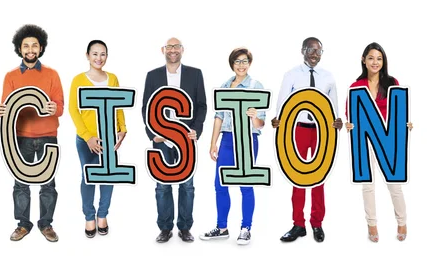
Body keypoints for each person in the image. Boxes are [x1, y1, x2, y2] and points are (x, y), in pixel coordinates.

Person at [0, 24, 64, 243]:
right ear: (19, 49)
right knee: (20, 183)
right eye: (26, 46)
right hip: (20, 137)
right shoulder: (10, 76)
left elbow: (60, 106)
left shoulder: (52, 74)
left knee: (48, 184)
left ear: (41, 47)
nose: (30, 49)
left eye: (35, 45)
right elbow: (7, 108)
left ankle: (46, 224)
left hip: (48, 136)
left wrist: (55, 108)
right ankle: (23, 224)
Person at [272, 37, 343, 243]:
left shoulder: (328, 77)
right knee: (298, 177)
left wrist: (338, 122)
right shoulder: (291, 75)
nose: (315, 54)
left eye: (319, 51)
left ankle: (317, 223)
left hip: (322, 131)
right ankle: (298, 224)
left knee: (319, 177)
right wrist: (278, 121)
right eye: (311, 50)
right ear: (303, 50)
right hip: (299, 129)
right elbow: (283, 104)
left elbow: (333, 106)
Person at [141, 37, 207, 243]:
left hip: (185, 141)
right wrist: (153, 133)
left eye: (176, 46)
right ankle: (165, 228)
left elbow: (201, 105)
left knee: (187, 186)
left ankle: (185, 227)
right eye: (169, 47)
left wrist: (196, 130)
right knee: (162, 187)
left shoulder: (195, 74)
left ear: (182, 50)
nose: (173, 50)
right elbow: (145, 107)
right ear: (163, 50)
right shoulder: (152, 76)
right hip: (161, 140)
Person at [344, 42, 412, 242]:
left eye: (379, 58)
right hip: (365, 140)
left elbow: (398, 109)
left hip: (387, 139)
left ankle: (402, 221)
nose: (375, 62)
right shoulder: (356, 87)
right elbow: (351, 112)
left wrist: (405, 124)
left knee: (394, 185)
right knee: (368, 185)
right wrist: (349, 124)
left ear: (384, 62)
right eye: (371, 58)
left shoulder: (391, 82)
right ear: (364, 60)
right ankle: (371, 224)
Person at [199, 47, 265, 245]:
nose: (241, 65)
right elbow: (218, 117)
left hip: (247, 139)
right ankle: (222, 227)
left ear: (250, 63)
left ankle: (246, 228)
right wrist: (213, 143)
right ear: (232, 64)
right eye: (237, 61)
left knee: (246, 184)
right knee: (220, 184)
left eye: (245, 61)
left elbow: (261, 123)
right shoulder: (225, 86)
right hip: (227, 140)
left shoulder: (255, 85)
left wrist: (254, 117)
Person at [69, 40, 128, 238]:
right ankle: (89, 216)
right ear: (87, 56)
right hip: (86, 140)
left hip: (109, 137)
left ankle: (103, 215)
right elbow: (73, 109)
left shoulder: (113, 79)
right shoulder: (78, 79)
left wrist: (122, 128)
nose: (98, 58)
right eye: (95, 54)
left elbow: (118, 105)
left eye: (103, 54)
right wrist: (88, 137)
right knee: (88, 178)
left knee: (107, 176)